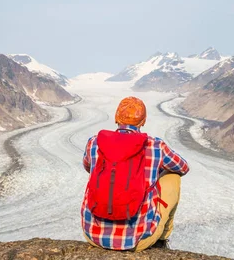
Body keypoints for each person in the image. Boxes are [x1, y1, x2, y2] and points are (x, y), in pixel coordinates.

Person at [81, 96, 190, 251]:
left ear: (115, 118)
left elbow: (87, 167)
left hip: (92, 235)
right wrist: (154, 173)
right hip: (138, 240)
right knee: (173, 177)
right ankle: (162, 239)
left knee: (97, 174)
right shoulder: (155, 145)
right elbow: (183, 167)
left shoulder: (94, 142)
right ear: (143, 121)